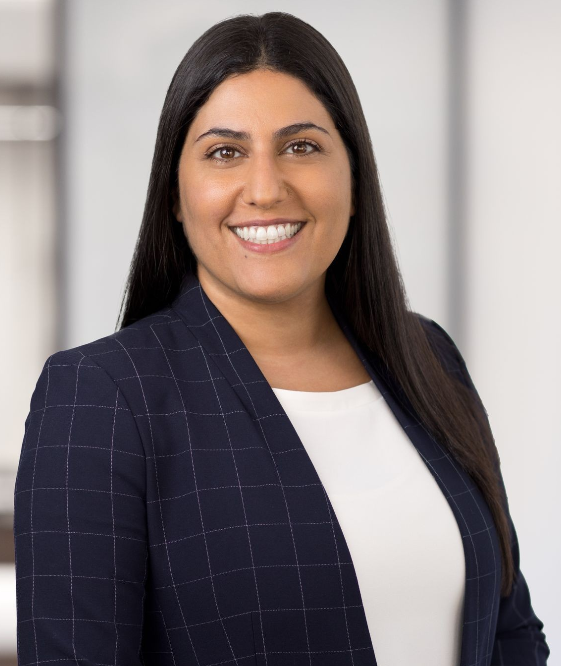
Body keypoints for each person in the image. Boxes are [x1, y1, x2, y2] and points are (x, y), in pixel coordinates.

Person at [13, 11, 549, 666]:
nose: (265, 190)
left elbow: (510, 633)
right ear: (175, 195)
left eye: (301, 147)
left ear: (354, 179)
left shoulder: (427, 358)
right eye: (224, 152)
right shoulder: (102, 397)